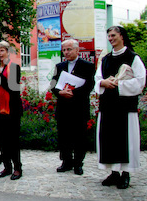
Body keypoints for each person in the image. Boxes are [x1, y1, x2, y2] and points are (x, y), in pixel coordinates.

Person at [95, 26, 146, 189]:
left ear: (122, 36)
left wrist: (118, 84)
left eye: (113, 35)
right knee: (109, 139)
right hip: (108, 106)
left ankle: (125, 174)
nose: (111, 38)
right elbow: (97, 78)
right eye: (109, 36)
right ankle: (113, 173)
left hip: (124, 107)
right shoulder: (106, 59)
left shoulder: (133, 58)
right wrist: (103, 83)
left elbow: (140, 81)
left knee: (126, 141)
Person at [50, 39, 96, 175]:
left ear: (77, 50)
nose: (66, 52)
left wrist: (73, 93)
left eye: (69, 49)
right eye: (64, 50)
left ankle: (78, 163)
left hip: (79, 106)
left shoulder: (87, 65)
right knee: (64, 136)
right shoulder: (59, 66)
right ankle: (66, 161)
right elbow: (53, 84)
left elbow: (89, 85)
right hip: (63, 106)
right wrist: (60, 92)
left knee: (79, 137)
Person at [0, 41, 23, 180]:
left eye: (2, 50)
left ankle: (17, 168)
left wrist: (0, 75)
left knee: (12, 141)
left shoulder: (14, 67)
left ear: (8, 51)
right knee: (2, 141)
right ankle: (7, 167)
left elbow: (12, 88)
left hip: (11, 110)